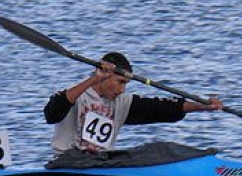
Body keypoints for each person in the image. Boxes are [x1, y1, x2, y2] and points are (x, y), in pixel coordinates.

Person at [44, 52, 223, 156]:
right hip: (68, 162)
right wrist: (93, 79)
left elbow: (164, 109)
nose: (122, 90)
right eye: (120, 82)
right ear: (104, 76)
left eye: (126, 84)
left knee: (158, 149)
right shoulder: (74, 95)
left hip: (101, 163)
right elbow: (52, 113)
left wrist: (203, 106)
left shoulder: (122, 102)